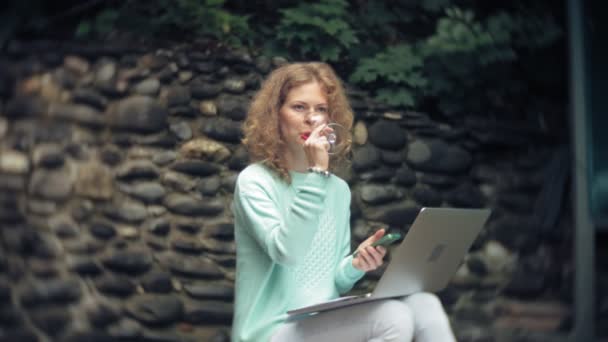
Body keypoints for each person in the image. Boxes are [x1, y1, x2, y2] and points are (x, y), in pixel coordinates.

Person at [231, 62, 456, 342]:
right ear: (274, 115)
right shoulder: (255, 181)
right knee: (392, 317)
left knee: (424, 304)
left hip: (322, 320)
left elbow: (332, 282)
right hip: (271, 330)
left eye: (321, 109)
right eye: (299, 107)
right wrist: (316, 174)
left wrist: (355, 265)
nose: (312, 119)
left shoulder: (337, 190)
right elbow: (287, 252)